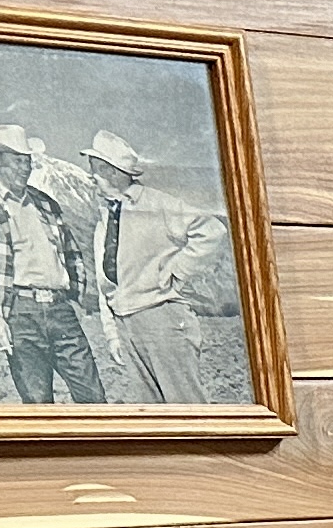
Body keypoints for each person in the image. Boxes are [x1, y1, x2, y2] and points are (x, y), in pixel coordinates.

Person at [78, 129, 236, 405]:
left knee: (186, 406)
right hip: (127, 326)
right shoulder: (105, 218)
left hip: (162, 320)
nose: (91, 177)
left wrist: (177, 271)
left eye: (96, 170)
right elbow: (106, 284)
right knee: (152, 410)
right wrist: (113, 334)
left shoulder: (156, 203)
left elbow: (211, 230)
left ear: (112, 172)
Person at [0, 122, 107, 406]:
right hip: (19, 312)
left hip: (60, 308)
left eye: (27, 161)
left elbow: (71, 253)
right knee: (37, 402)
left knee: (93, 398)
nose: (25, 168)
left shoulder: (45, 203)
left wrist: (75, 299)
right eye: (17, 161)